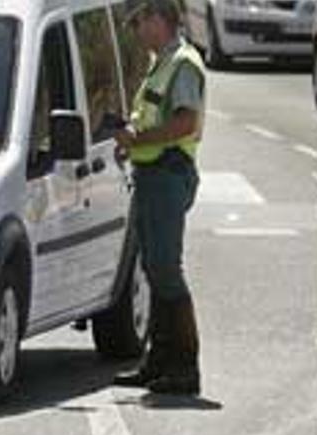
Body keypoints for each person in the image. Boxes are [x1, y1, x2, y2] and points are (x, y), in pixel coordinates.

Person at [112, 0, 206, 395]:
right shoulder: (163, 61)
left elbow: (186, 121)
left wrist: (140, 139)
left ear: (159, 19)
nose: (136, 31)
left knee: (165, 268)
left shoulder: (182, 63)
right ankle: (159, 361)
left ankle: (184, 366)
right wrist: (130, 140)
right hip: (152, 173)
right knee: (153, 267)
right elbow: (151, 114)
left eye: (140, 22)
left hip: (168, 173)